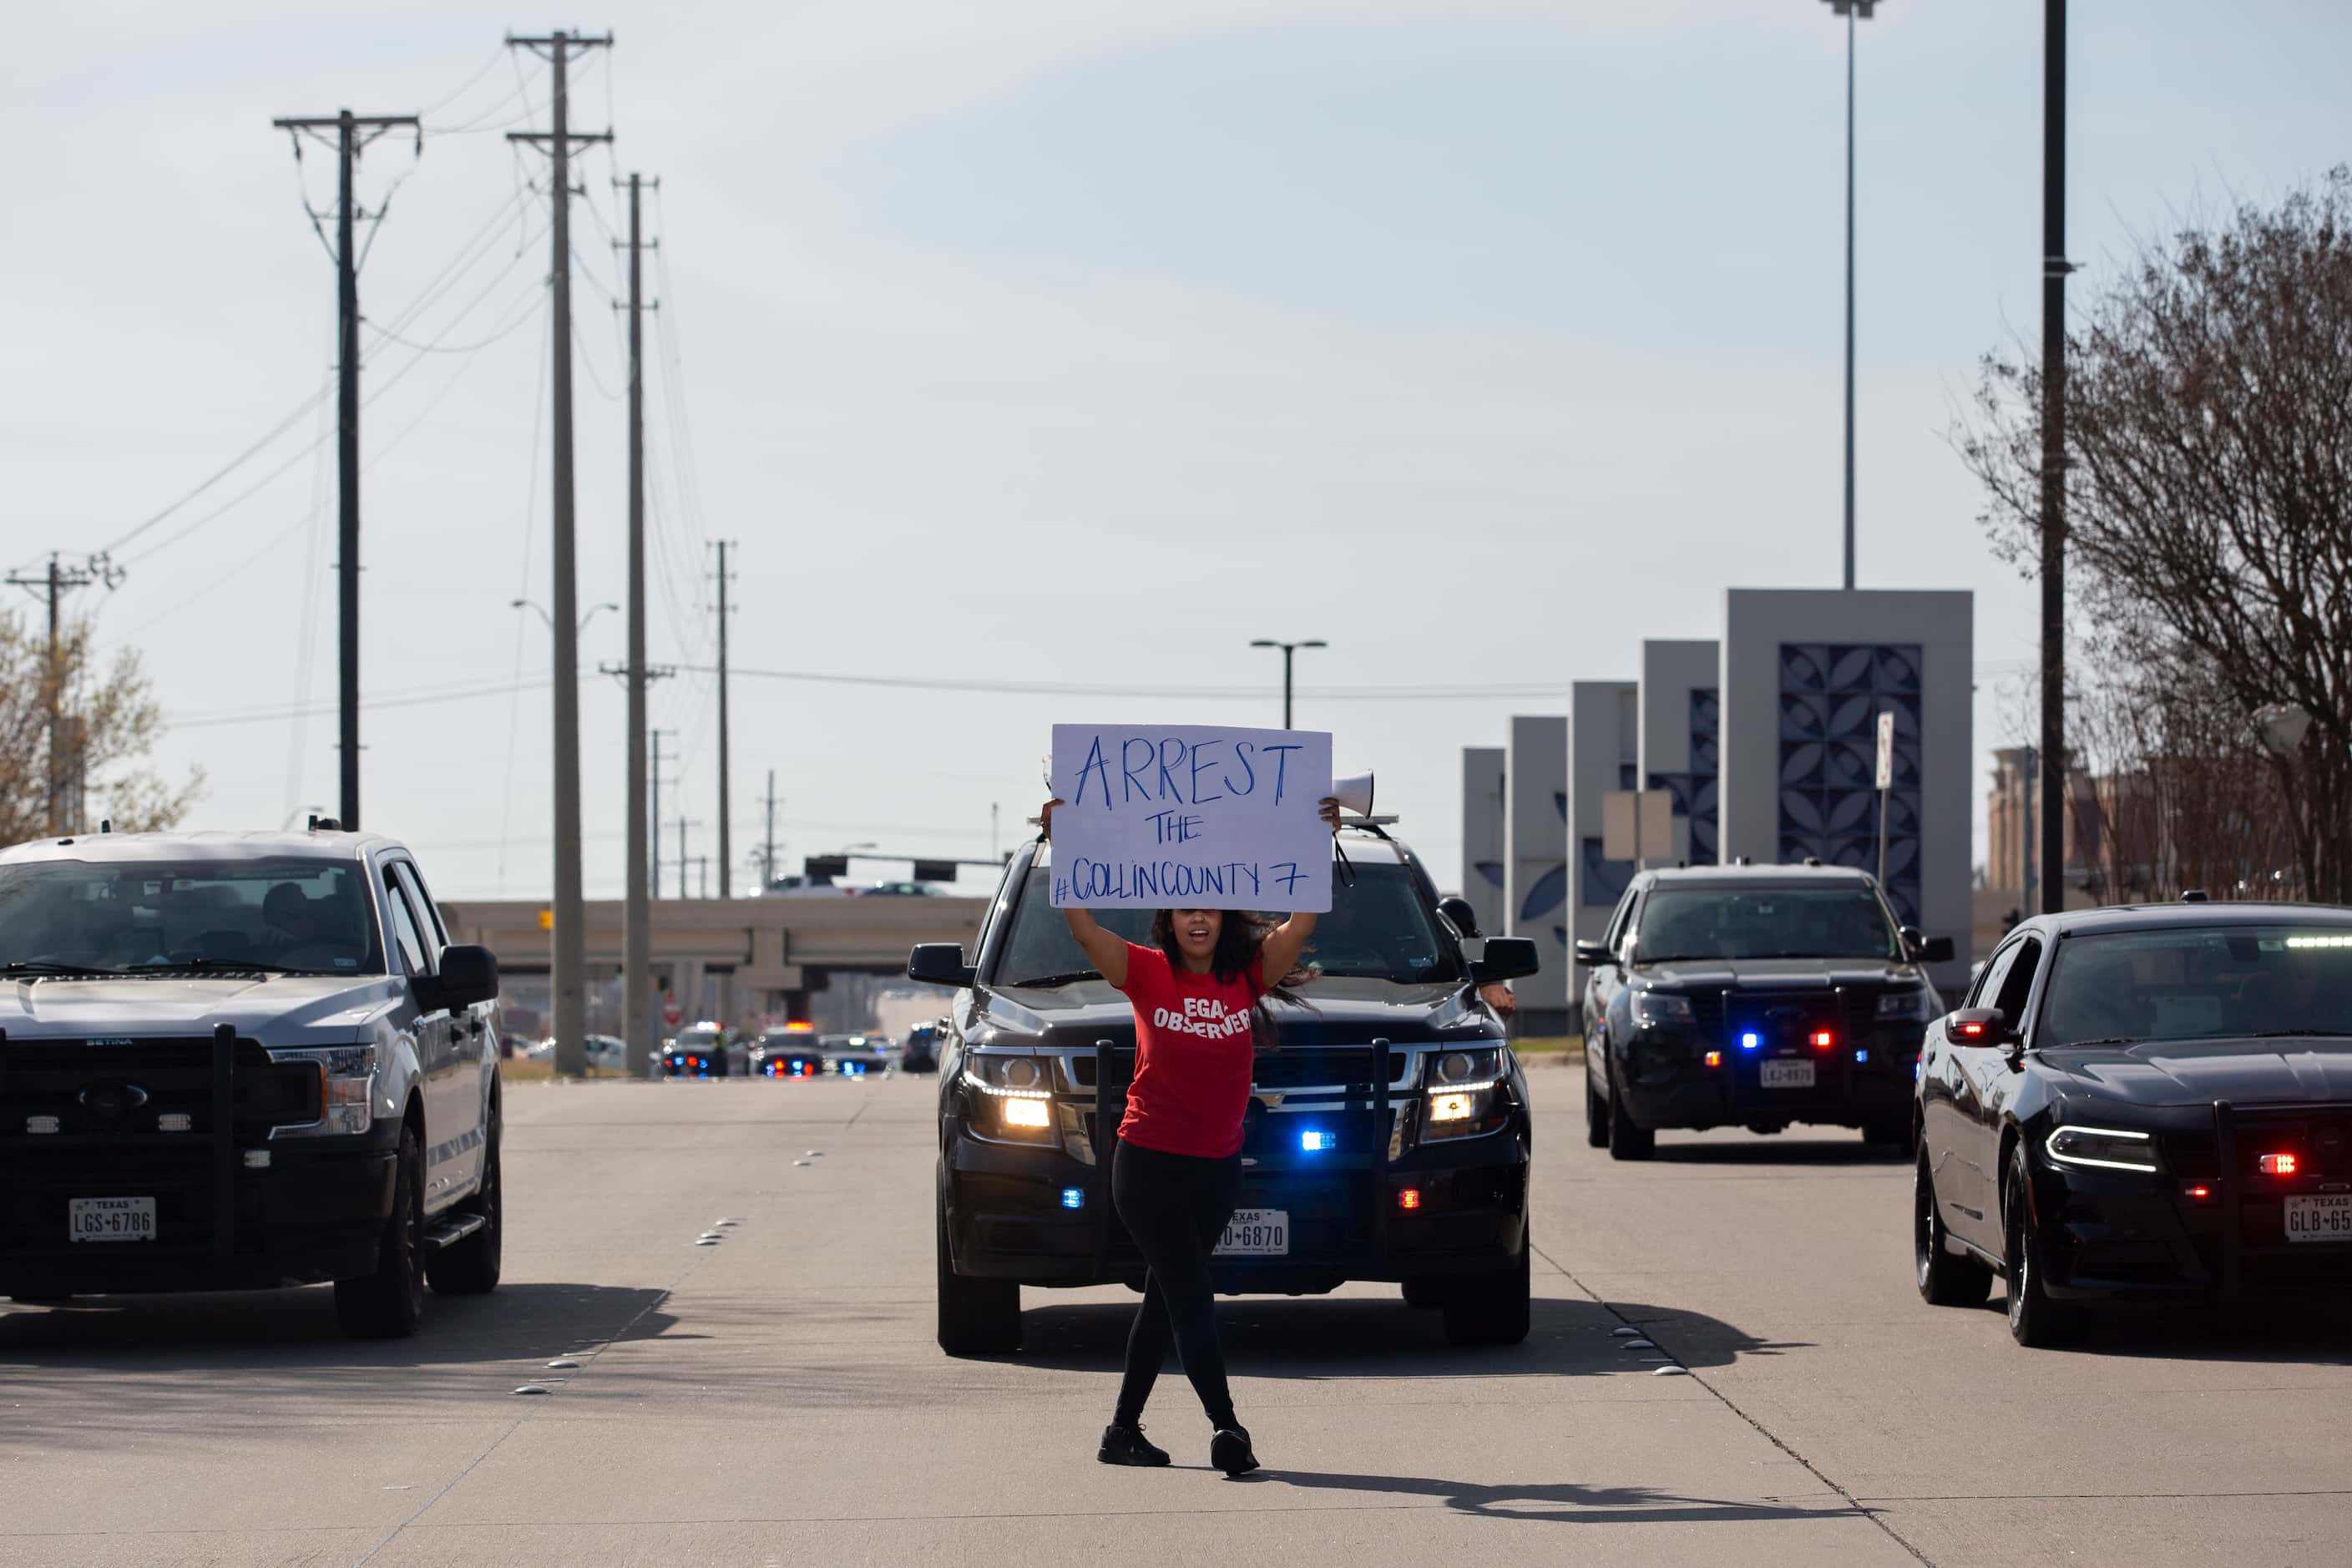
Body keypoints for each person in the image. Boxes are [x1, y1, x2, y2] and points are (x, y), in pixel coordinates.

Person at [1040, 793, 1340, 1477]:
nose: (1197, 917)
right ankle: (1227, 1428)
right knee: (1191, 1295)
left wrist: (1315, 839)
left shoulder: (1246, 977)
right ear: (1168, 920)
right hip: (1146, 1164)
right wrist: (1065, 844)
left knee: (1168, 1296)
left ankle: (1121, 1432)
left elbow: (1304, 918)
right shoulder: (1145, 971)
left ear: (1222, 917)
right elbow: (1083, 929)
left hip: (1216, 1168)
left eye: (1207, 907)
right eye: (1185, 908)